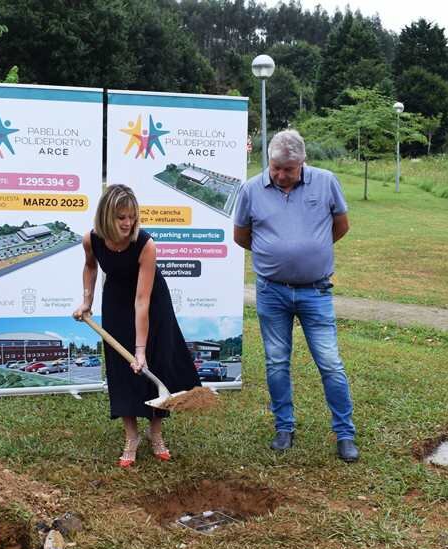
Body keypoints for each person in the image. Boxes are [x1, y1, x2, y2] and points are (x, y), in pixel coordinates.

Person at [233, 129, 359, 462]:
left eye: (288, 168)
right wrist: (277, 257)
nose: (280, 174)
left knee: (330, 363)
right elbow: (242, 235)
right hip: (271, 292)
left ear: (303, 162)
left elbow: (341, 225)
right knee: (276, 363)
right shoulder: (250, 189)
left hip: (315, 291)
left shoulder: (326, 181)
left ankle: (345, 433)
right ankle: (284, 427)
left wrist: (311, 251)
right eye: (275, 167)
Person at [72, 184, 201, 468]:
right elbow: (91, 267)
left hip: (152, 303)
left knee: (153, 364)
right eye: (121, 217)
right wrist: (87, 301)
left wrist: (140, 350)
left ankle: (156, 434)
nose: (128, 223)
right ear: (106, 216)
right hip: (116, 301)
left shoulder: (145, 244)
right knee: (121, 368)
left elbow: (142, 301)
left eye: (132, 216)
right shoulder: (91, 240)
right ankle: (131, 436)